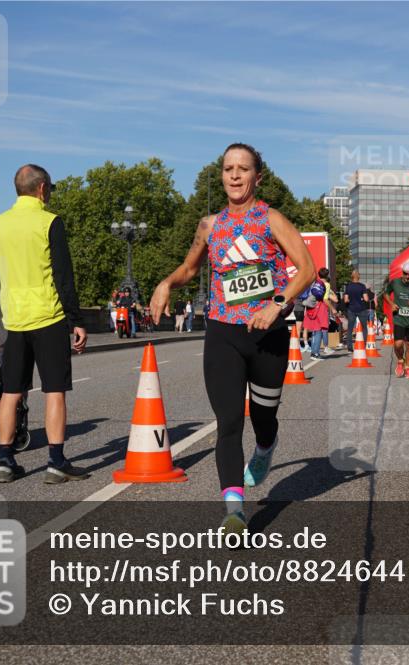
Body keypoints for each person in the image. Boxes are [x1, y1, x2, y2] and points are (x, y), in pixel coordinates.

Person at [149, 143, 314, 534]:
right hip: (223, 331)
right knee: (227, 422)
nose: (235, 175)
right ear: (221, 175)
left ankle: (266, 447)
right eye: (228, 169)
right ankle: (234, 508)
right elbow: (190, 269)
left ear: (258, 176)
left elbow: (307, 269)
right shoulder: (209, 225)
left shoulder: (271, 219)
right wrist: (166, 283)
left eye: (243, 169)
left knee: (263, 418)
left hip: (267, 334)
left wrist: (277, 303)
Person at [0, 164, 90, 484]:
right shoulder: (49, 222)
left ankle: (5, 461)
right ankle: (56, 462)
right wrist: (76, 320)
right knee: (54, 391)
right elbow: (63, 275)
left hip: (13, 318)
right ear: (43, 188)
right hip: (48, 316)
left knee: (11, 392)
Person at [344, 270, 372, 353]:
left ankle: (349, 348)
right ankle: (364, 345)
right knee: (364, 327)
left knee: (350, 328)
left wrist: (351, 300)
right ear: (359, 277)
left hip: (351, 309)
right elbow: (366, 299)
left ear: (351, 277)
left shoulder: (348, 286)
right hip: (362, 309)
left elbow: (345, 300)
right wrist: (362, 299)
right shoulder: (362, 286)